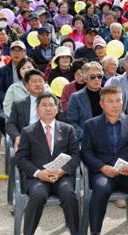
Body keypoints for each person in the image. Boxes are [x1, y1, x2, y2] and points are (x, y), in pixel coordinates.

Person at [81, 86, 128, 235]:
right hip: (102, 173)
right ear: (102, 104)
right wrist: (102, 167)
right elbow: (86, 152)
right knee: (101, 188)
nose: (115, 104)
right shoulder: (91, 125)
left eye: (118, 100)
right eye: (110, 101)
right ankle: (96, 231)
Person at [16, 91, 80, 235]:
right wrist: (39, 173)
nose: (48, 108)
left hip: (62, 176)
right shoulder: (27, 131)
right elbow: (21, 159)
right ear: (37, 109)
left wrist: (62, 171)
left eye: (51, 105)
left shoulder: (68, 129)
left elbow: (76, 154)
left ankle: (76, 232)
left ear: (57, 109)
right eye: (44, 105)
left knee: (69, 194)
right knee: (38, 195)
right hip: (37, 178)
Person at [6, 69, 56, 151]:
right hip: (28, 139)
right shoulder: (19, 104)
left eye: (40, 81)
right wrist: (17, 136)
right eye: (33, 81)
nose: (37, 84)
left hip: (51, 137)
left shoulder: (54, 102)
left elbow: (63, 121)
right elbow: (10, 124)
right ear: (27, 85)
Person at [66, 61, 103, 141]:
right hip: (85, 140)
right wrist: (84, 135)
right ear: (85, 79)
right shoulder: (76, 97)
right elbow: (71, 121)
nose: (96, 79)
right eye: (93, 77)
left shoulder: (108, 95)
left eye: (99, 76)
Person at [0, 40, 27, 106]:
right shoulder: (2, 70)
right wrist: (8, 101)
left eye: (19, 50)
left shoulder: (31, 68)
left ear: (25, 53)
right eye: (13, 50)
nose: (16, 53)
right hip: (9, 103)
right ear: (10, 52)